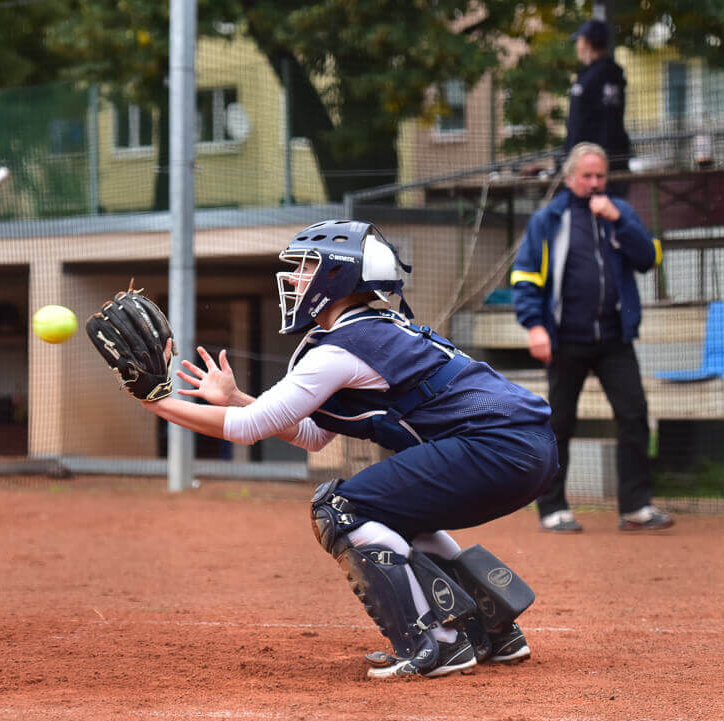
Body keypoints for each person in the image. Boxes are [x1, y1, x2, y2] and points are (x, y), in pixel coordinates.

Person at [133, 219, 558, 679]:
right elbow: (312, 434)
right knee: (388, 511)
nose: (294, 279)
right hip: (529, 448)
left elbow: (249, 429)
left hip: (496, 447)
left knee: (339, 508)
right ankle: (490, 630)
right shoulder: (374, 330)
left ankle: (435, 643)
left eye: (304, 267)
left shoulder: (341, 348)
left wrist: (156, 402)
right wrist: (237, 400)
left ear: (335, 277)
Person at [511, 142, 674, 533]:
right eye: (587, 176)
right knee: (560, 423)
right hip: (565, 339)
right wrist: (534, 326)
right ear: (570, 178)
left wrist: (620, 218)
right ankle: (553, 508)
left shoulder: (620, 213)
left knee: (634, 415)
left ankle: (635, 507)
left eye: (600, 176)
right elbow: (525, 276)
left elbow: (649, 258)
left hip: (615, 338)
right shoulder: (549, 219)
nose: (595, 182)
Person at [564, 19, 631, 197]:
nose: (577, 46)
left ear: (586, 42)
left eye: (578, 41)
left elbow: (590, 124)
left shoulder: (596, 77)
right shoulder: (604, 74)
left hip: (595, 165)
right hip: (603, 161)